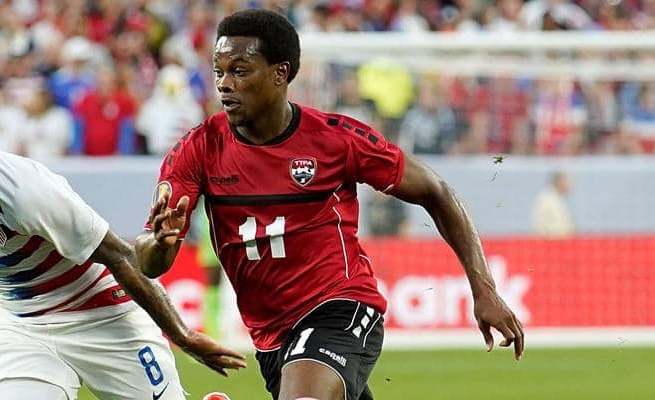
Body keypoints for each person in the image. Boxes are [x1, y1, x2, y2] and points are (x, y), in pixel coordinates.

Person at [135, 9, 524, 400]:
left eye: (239, 71)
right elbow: (149, 263)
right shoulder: (198, 149)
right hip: (271, 338)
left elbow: (436, 191)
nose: (224, 84)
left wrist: (484, 289)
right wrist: (160, 243)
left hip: (341, 306)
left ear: (280, 73)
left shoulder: (334, 139)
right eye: (219, 71)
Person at [0, 104, 245, 400]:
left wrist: (182, 335)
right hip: (25, 329)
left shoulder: (22, 191)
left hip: (105, 316)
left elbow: (119, 255)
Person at [531, 171, 575, 237]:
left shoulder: (558, 199)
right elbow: (542, 227)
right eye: (566, 182)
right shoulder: (547, 200)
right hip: (552, 241)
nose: (570, 185)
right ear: (559, 182)